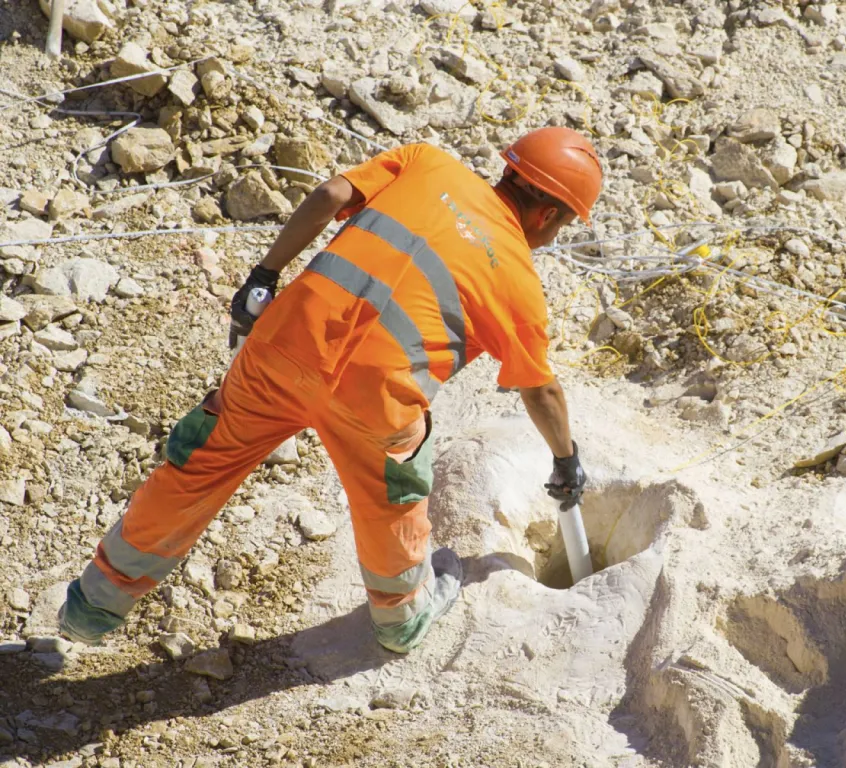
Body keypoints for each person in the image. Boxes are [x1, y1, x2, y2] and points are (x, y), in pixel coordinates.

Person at [58, 126, 603, 653]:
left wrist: (263, 276)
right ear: (547, 213)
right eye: (561, 226)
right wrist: (565, 458)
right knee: (391, 504)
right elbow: (541, 390)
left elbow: (329, 193)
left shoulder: (428, 163)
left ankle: (94, 607)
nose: (553, 236)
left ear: (511, 169)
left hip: (282, 351)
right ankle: (400, 619)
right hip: (376, 404)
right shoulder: (520, 285)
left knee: (196, 467)